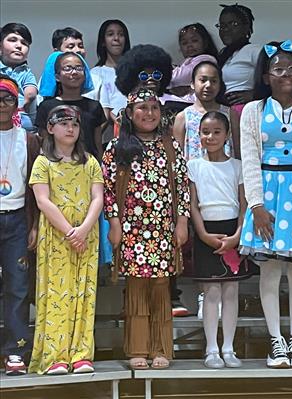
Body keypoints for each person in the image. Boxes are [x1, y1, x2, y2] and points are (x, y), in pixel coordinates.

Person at [102, 88, 190, 369]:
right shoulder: (117, 147)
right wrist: (114, 222)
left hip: (163, 229)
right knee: (137, 287)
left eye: (154, 107)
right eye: (142, 107)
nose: (149, 113)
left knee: (161, 287)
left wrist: (182, 221)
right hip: (131, 230)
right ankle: (137, 350)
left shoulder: (170, 146)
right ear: (129, 113)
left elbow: (182, 186)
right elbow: (107, 189)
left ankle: (161, 349)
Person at [28, 105, 103, 375]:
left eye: (74, 123)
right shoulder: (43, 162)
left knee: (84, 293)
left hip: (86, 235)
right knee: (57, 294)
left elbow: (98, 198)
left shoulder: (90, 162)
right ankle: (55, 356)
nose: (70, 128)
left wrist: (82, 229)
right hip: (57, 237)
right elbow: (42, 200)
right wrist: (70, 232)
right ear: (50, 128)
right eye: (63, 123)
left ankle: (81, 354)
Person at [239, 40, 292, 368]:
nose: (286, 74)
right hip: (269, 195)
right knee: (271, 270)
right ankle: (276, 340)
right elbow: (249, 159)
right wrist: (257, 206)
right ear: (265, 75)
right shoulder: (254, 111)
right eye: (278, 69)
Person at [188, 111, 253, 368]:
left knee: (231, 291)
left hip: (233, 230)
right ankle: (211, 349)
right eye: (205, 132)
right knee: (211, 291)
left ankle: (229, 348)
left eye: (217, 132)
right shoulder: (193, 165)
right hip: (206, 230)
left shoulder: (237, 166)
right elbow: (192, 205)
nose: (210, 136)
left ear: (227, 135)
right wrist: (203, 234)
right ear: (199, 135)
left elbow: (244, 203)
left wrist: (237, 235)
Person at [0, 75, 40, 375]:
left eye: (8, 98)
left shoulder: (28, 138)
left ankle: (15, 350)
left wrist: (35, 225)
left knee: (17, 286)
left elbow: (36, 188)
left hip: (16, 218)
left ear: (16, 103)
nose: (2, 104)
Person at [36, 51, 106, 159]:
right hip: (56, 167)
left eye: (78, 68)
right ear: (57, 77)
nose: (74, 72)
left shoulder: (94, 106)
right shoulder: (46, 107)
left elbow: (97, 145)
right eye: (68, 68)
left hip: (88, 166)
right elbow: (45, 144)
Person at [216, 3, 261, 158]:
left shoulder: (254, 51)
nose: (226, 29)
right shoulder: (223, 55)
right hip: (224, 112)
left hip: (243, 112)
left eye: (233, 24)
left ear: (246, 27)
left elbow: (273, 78)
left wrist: (254, 94)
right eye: (222, 25)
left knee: (244, 159)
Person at [173, 57, 231, 161]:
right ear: (192, 84)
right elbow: (177, 156)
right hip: (194, 175)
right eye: (203, 80)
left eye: (214, 81)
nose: (208, 85)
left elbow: (238, 148)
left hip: (226, 174)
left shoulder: (230, 114)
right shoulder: (183, 117)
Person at [85, 19, 130, 144]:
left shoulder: (135, 71)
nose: (116, 38)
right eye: (110, 34)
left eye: (121, 34)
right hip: (107, 135)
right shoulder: (95, 73)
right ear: (103, 42)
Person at [161, 23, 219, 109]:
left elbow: (177, 78)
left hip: (194, 103)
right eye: (184, 43)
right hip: (184, 101)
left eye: (194, 41)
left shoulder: (205, 59)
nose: (189, 45)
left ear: (205, 42)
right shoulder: (187, 61)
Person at [0, 23, 37, 131]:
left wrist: (17, 107)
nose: (19, 46)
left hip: (20, 117)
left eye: (24, 43)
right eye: (12, 40)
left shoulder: (26, 72)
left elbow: (30, 94)